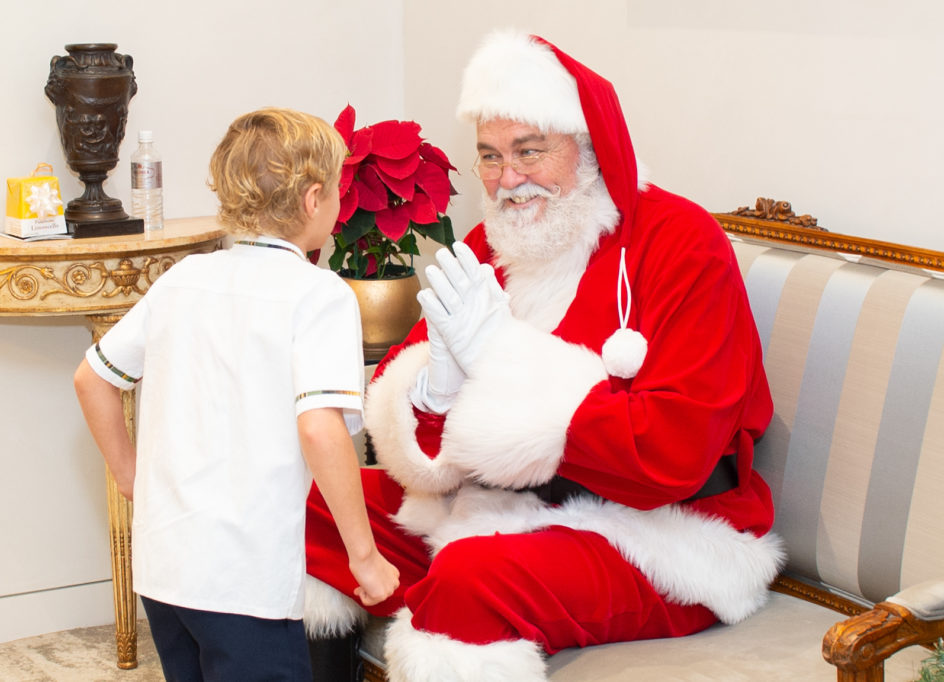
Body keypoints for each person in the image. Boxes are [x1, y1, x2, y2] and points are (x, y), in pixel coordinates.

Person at [302, 31, 786, 682]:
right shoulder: (489, 244)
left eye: (530, 152)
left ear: (587, 148)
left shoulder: (681, 244)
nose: (509, 180)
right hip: (500, 506)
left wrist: (503, 361)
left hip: (658, 531)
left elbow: (675, 450)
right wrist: (436, 389)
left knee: (472, 578)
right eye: (491, 158)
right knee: (314, 503)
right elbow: (417, 431)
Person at [73, 108, 400, 682]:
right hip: (244, 581)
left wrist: (130, 478)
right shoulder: (318, 295)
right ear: (312, 198)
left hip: (164, 570)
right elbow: (321, 429)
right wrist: (365, 558)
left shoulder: (182, 279)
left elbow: (92, 378)